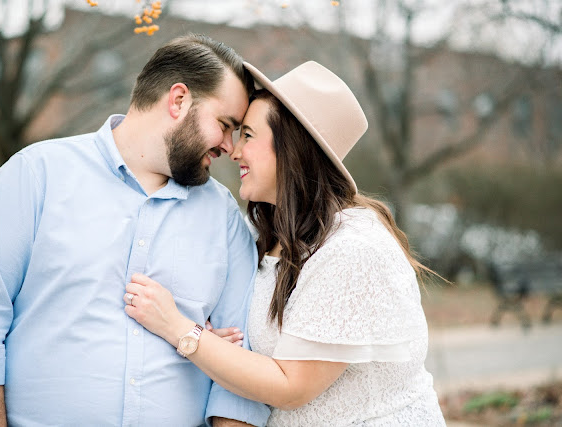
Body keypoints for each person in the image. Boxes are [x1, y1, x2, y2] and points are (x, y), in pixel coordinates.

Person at [0, 34, 270, 427]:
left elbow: (241, 374)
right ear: (178, 100)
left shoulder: (224, 217)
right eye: (225, 125)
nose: (230, 147)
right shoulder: (36, 176)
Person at [123, 61, 447, 426]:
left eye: (247, 135)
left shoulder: (353, 247)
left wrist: (178, 327)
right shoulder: (273, 236)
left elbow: (292, 386)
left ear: (291, 148)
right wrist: (215, 342)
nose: (233, 151)